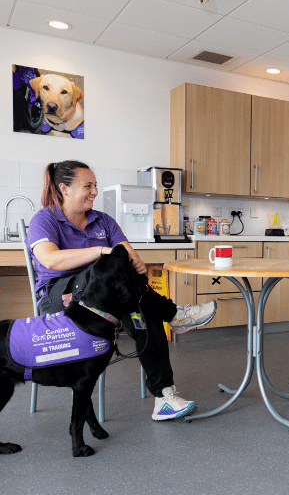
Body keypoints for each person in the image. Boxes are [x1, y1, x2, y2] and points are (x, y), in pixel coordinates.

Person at [27, 160, 218, 421]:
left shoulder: (103, 221)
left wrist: (136, 262)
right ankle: (174, 314)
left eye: (95, 185)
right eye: (88, 186)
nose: (95, 191)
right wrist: (101, 251)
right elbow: (49, 260)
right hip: (61, 297)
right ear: (65, 188)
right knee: (115, 274)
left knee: (142, 312)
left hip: (107, 298)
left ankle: (164, 398)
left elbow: (128, 255)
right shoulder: (45, 219)